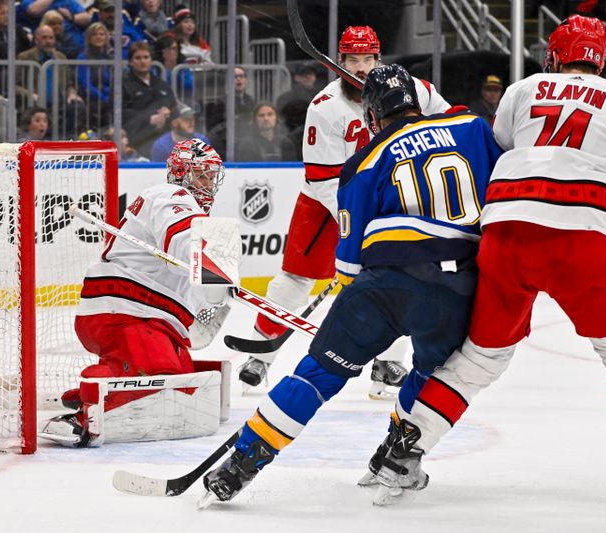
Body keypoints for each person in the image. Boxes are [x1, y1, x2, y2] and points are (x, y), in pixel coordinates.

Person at [368, 15, 606, 507]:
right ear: (603, 59)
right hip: (581, 240)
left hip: (506, 231)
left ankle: (408, 445)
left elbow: (498, 158)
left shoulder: (523, 89)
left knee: (481, 357)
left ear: (553, 55)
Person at [200, 64, 501, 506]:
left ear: (372, 118)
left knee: (318, 374)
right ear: (417, 103)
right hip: (456, 285)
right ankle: (395, 456)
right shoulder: (473, 127)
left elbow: (348, 265)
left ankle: (244, 459)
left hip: (383, 284)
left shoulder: (364, 160)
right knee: (431, 372)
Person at [236, 26, 451, 400]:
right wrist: (360, 224)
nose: (362, 68)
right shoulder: (325, 108)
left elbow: (446, 124)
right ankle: (261, 353)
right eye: (353, 60)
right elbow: (324, 181)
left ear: (378, 59)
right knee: (294, 282)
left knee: (401, 277)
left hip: (391, 196)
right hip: (326, 204)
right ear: (340, 63)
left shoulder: (412, 90)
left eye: (368, 59)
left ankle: (388, 362)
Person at [40, 138, 229, 447]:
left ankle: (93, 390)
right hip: (126, 311)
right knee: (158, 380)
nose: (208, 183)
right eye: (201, 174)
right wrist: (215, 270)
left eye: (211, 176)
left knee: (181, 383)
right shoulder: (171, 195)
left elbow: (197, 299)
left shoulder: (190, 211)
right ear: (181, 172)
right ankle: (85, 409)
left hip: (149, 318)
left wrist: (218, 290)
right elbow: (184, 243)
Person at [122, 41, 178, 158]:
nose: (143, 61)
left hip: (164, 134)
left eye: (146, 57)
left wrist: (167, 112)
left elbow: (172, 104)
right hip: (138, 138)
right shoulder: (124, 84)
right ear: (131, 62)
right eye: (138, 58)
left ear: (151, 60)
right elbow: (121, 113)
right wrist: (149, 119)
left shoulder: (160, 83)